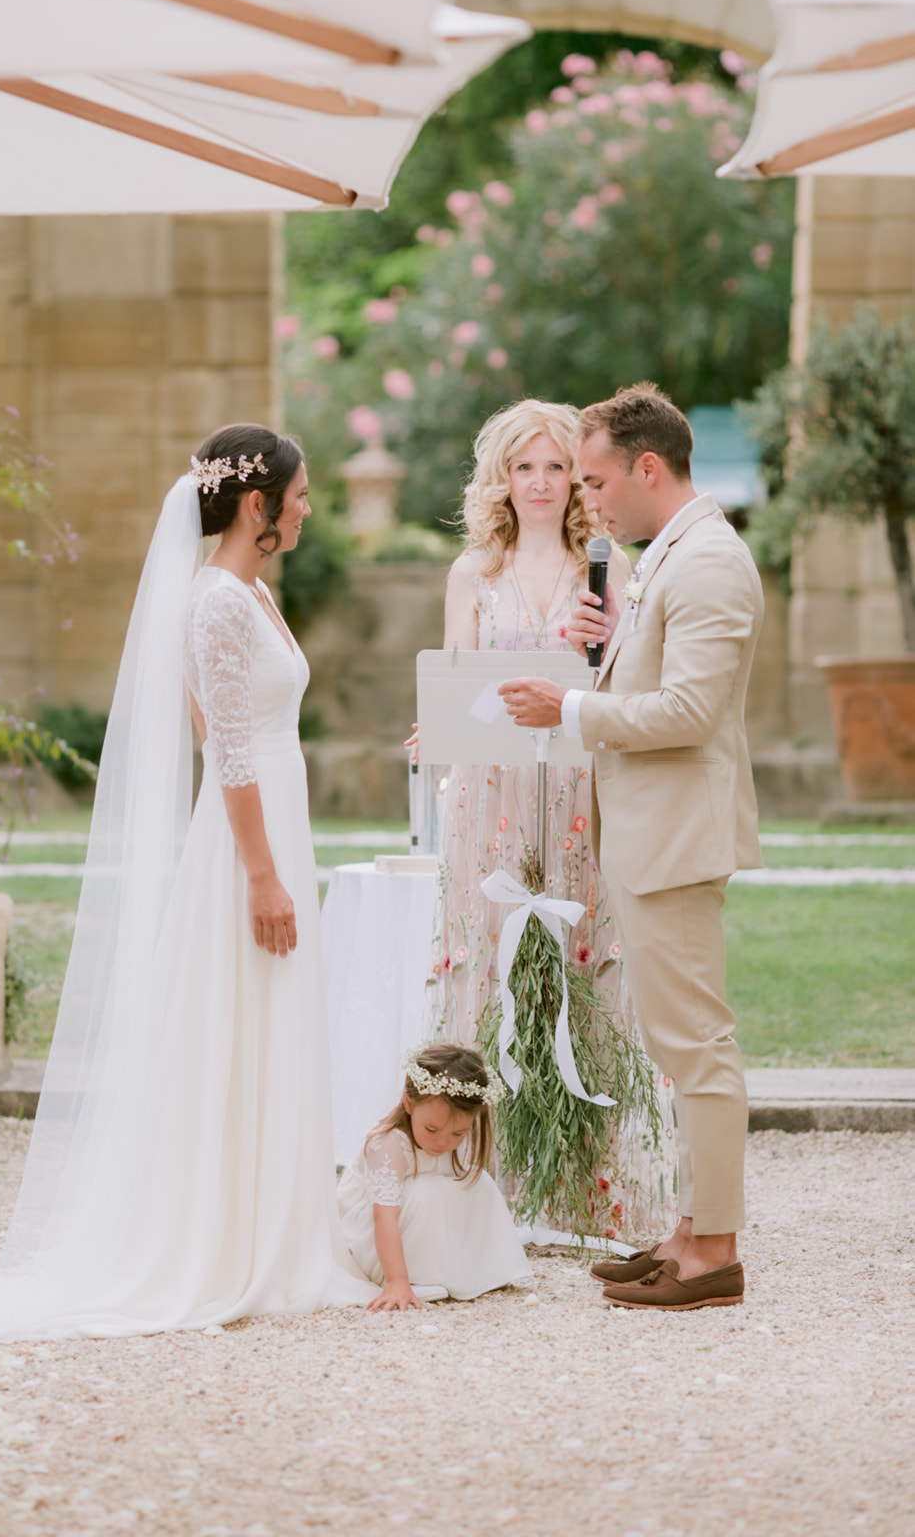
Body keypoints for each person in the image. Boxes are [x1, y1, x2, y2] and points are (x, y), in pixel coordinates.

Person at [0, 423, 370, 1340]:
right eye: (300, 492)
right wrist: (261, 877)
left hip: (273, 823)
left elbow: (233, 724)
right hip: (249, 842)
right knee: (236, 1016)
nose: (308, 504)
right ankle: (224, 1243)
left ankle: (278, 1232)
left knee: (272, 1018)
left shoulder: (250, 596)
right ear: (260, 505)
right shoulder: (214, 602)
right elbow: (231, 751)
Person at [498, 384, 764, 1311]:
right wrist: (611, 648)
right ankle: (689, 1231)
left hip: (677, 837)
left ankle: (714, 1252)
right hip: (653, 833)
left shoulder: (708, 565)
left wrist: (567, 706)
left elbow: (689, 713)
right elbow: (664, 675)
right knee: (677, 1041)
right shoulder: (671, 555)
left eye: (599, 479)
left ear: (649, 469)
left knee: (697, 1048)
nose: (589, 499)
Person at [410, 399, 676, 1242]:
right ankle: (478, 1189)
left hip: (573, 793)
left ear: (575, 479)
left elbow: (625, 688)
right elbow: (456, 678)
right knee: (486, 967)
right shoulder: (473, 574)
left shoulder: (609, 569)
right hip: (487, 796)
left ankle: (586, 1186)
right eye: (522, 466)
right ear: (502, 476)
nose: (537, 482)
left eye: (555, 466)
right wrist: (433, 724)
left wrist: (590, 654)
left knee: (582, 965)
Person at [336, 1043, 528, 1310]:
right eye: (431, 1129)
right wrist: (397, 1281)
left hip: (416, 1225)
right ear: (408, 1102)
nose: (443, 1142)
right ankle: (411, 1276)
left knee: (477, 1183)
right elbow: (384, 1217)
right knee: (428, 1191)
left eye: (458, 1133)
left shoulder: (453, 1136)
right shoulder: (389, 1144)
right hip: (372, 1233)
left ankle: (474, 1268)